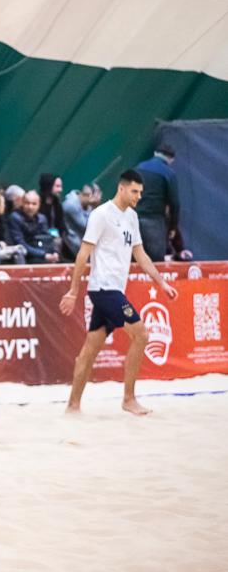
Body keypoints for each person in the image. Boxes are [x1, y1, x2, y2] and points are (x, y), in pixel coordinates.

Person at [59, 169, 178, 416]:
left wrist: (162, 283)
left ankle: (73, 405)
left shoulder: (132, 217)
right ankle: (129, 399)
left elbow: (140, 255)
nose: (138, 196)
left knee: (89, 350)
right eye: (134, 191)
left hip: (114, 288)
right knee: (142, 334)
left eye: (141, 192)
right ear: (121, 188)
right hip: (104, 288)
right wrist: (72, 291)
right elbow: (83, 254)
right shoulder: (101, 215)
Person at [134, 145, 180, 262]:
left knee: (135, 260)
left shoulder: (139, 168)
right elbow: (174, 204)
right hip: (154, 222)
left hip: (134, 219)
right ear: (171, 159)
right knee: (155, 262)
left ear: (155, 153)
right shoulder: (169, 173)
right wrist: (173, 227)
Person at [7, 190, 60, 264]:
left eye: (34, 204)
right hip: (26, 256)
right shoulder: (14, 217)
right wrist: (43, 255)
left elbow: (48, 238)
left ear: (39, 205)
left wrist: (55, 252)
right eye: (27, 203)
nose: (30, 207)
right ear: (22, 203)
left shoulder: (42, 218)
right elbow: (20, 243)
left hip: (43, 253)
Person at [62, 183, 100, 257]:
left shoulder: (87, 204)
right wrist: (95, 206)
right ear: (89, 195)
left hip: (83, 245)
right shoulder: (71, 205)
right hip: (71, 246)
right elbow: (87, 227)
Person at [38, 174, 67, 242]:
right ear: (48, 186)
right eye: (57, 186)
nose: (60, 190)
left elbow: (61, 225)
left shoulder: (57, 204)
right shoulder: (37, 205)